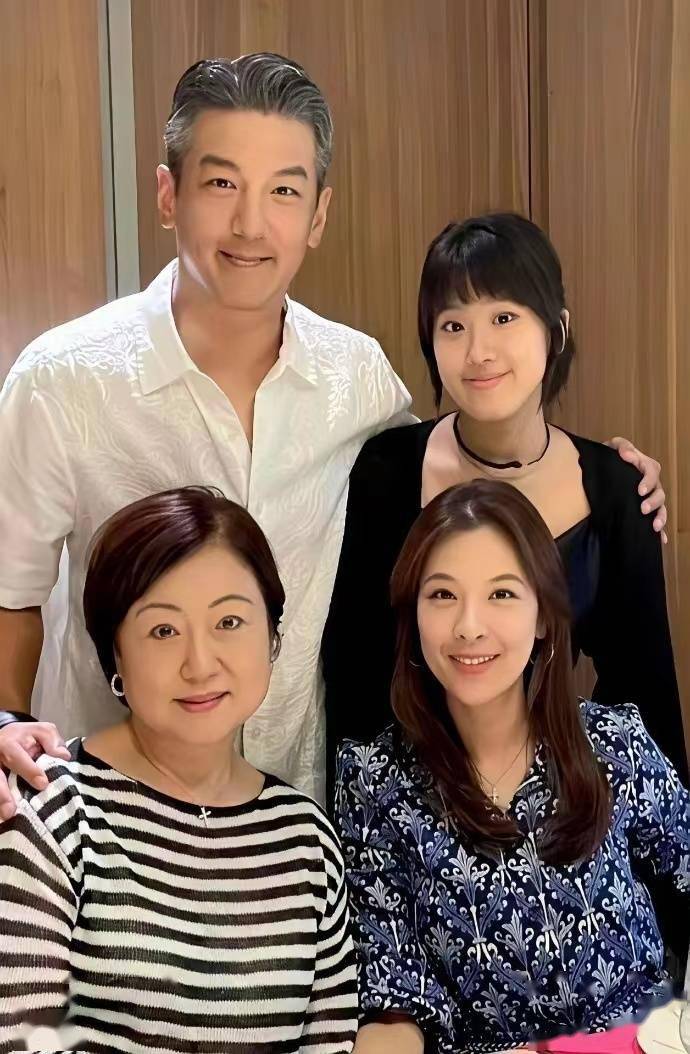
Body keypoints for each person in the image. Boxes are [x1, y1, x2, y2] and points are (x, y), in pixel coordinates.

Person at [0, 60, 664, 814]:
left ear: (318, 215)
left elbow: (459, 490)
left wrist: (611, 479)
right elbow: (11, 591)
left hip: (304, 814)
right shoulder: (61, 379)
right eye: (221, 183)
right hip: (109, 810)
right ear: (167, 195)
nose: (251, 224)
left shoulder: (356, 378)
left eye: (284, 191)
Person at [323, 213, 686, 785]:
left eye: (504, 318)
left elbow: (646, 695)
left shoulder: (617, 489)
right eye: (453, 325)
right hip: (403, 800)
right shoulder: (385, 470)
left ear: (556, 329)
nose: (478, 351)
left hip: (554, 791)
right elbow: (355, 677)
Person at [0, 487, 358, 1054]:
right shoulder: (52, 807)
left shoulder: (305, 836)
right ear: (115, 655)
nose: (199, 664)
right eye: (163, 631)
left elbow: (330, 1042)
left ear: (273, 637)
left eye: (230, 622)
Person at [336, 480, 689, 1054]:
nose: (469, 626)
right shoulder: (374, 780)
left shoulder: (613, 743)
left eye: (501, 593)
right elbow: (392, 998)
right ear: (413, 616)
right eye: (442, 595)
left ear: (544, 615)